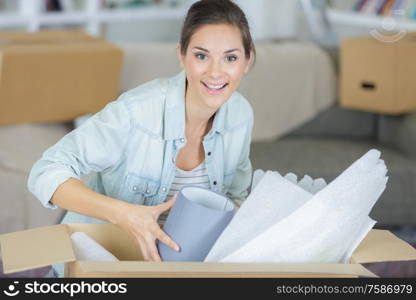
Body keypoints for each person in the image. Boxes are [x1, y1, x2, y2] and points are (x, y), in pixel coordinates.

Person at [28, 0, 255, 277]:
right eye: (201, 56)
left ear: (247, 61)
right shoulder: (135, 113)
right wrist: (122, 213)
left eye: (230, 57)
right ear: (181, 56)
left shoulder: (240, 114)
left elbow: (234, 196)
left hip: (177, 273)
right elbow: (45, 171)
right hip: (98, 269)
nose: (216, 72)